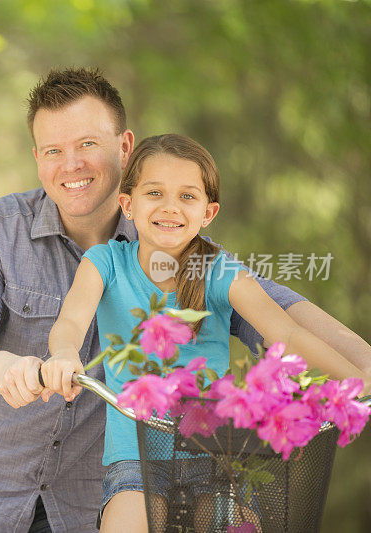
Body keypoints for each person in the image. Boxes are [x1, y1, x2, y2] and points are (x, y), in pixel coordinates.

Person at [0, 67, 371, 533]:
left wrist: (364, 370)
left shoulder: (183, 248)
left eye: (87, 144)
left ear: (125, 146)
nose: (70, 165)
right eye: (53, 150)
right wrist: (15, 367)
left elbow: (283, 315)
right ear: (37, 158)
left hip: (74, 506)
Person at [40, 133, 371, 533]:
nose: (170, 207)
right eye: (154, 193)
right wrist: (63, 354)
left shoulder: (220, 271)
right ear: (128, 204)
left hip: (217, 454)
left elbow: (287, 334)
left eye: (187, 196)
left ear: (208, 213)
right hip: (136, 459)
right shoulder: (105, 262)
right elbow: (71, 323)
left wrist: (358, 382)